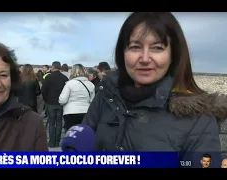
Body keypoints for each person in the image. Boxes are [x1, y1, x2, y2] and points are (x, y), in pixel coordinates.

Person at [82, 12, 225, 155]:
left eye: (157, 48)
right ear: (122, 53)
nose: (145, 58)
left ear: (173, 55)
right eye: (135, 47)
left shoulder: (199, 117)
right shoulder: (107, 95)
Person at [59, 64, 95, 131]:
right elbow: (92, 101)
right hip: (86, 112)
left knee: (72, 134)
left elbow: (62, 100)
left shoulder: (69, 83)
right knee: (83, 134)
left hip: (71, 112)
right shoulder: (91, 84)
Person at [41, 61, 69, 147]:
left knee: (52, 123)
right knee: (59, 122)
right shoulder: (64, 78)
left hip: (50, 103)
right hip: (61, 104)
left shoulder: (48, 77)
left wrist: (46, 101)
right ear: (59, 67)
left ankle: (51, 142)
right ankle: (57, 142)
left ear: (53, 67)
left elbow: (43, 91)